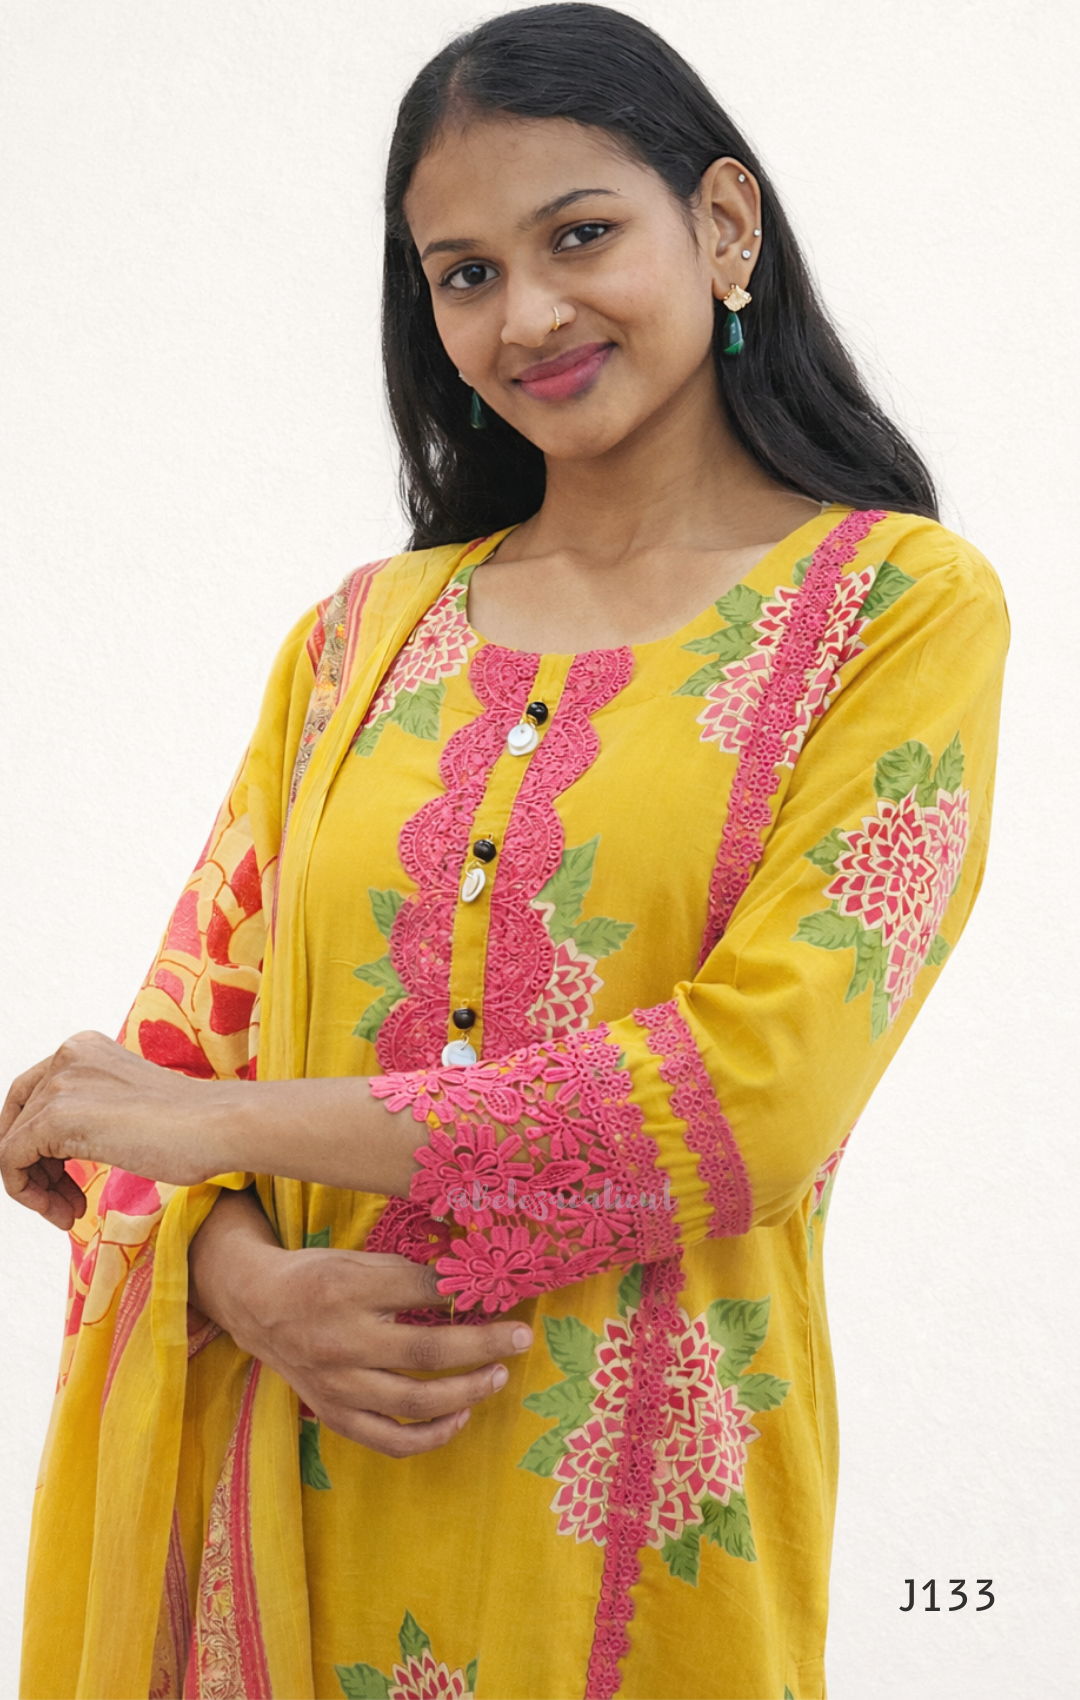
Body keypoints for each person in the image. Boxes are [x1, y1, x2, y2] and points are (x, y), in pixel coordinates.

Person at [2, 7, 1008, 1698]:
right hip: (291, 1509)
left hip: (636, 1547)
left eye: (581, 236)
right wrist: (247, 1286)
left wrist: (213, 1128)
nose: (527, 314)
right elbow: (152, 1080)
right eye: (462, 274)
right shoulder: (357, 643)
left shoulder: (896, 611)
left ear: (726, 226)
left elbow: (755, 1097)